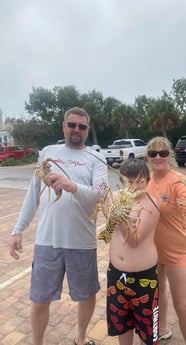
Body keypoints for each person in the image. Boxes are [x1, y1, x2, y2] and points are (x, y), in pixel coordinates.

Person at [10, 107, 109, 345]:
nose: (76, 130)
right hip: (47, 241)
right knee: (39, 298)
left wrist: (71, 185)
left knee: (86, 296)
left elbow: (100, 194)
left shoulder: (96, 158)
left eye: (82, 127)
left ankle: (81, 338)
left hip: (82, 242)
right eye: (72, 125)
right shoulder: (48, 153)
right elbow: (33, 194)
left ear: (87, 130)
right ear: (64, 126)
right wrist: (18, 229)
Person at [146, 136, 186, 345]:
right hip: (153, 250)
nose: (158, 157)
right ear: (148, 157)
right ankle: (163, 328)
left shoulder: (177, 180)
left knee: (182, 305)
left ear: (170, 156)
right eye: (152, 153)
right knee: (158, 294)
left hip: (177, 250)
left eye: (163, 153)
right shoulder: (146, 179)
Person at [104, 159, 160, 345]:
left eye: (140, 181)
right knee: (121, 323)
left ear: (148, 181)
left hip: (143, 278)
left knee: (148, 330)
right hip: (116, 273)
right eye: (129, 181)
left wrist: (119, 215)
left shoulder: (151, 205)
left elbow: (134, 240)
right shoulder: (115, 196)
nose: (134, 186)